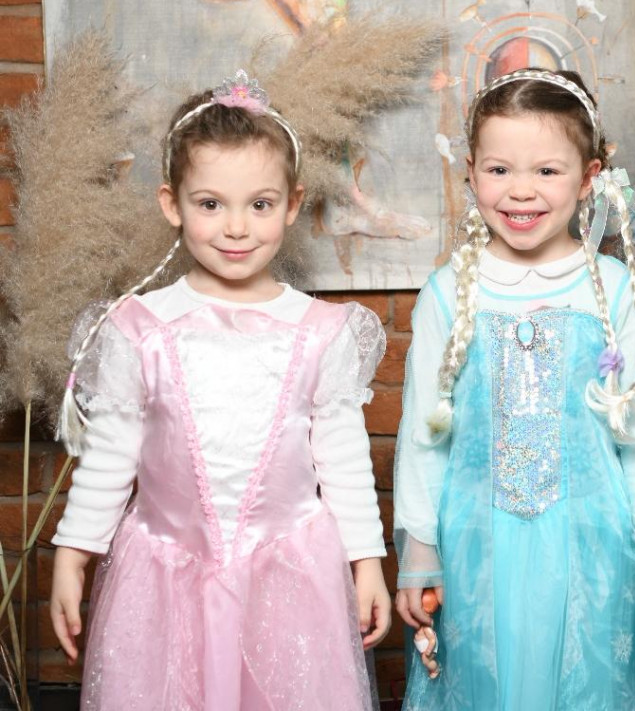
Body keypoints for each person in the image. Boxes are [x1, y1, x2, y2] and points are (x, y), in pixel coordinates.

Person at [48, 71, 390, 709]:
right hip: (166, 577)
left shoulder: (320, 332)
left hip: (288, 579)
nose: (236, 227)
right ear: (172, 204)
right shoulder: (138, 329)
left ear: (292, 204)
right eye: (210, 204)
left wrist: (366, 561)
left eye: (260, 205)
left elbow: (344, 461)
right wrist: (73, 553)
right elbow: (111, 453)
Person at [392, 68, 635, 710]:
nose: (521, 190)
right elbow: (423, 437)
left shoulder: (612, 290)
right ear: (471, 173)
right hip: (477, 550)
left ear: (588, 177)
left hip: (594, 544)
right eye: (499, 169)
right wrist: (419, 553)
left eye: (547, 171)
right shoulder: (448, 293)